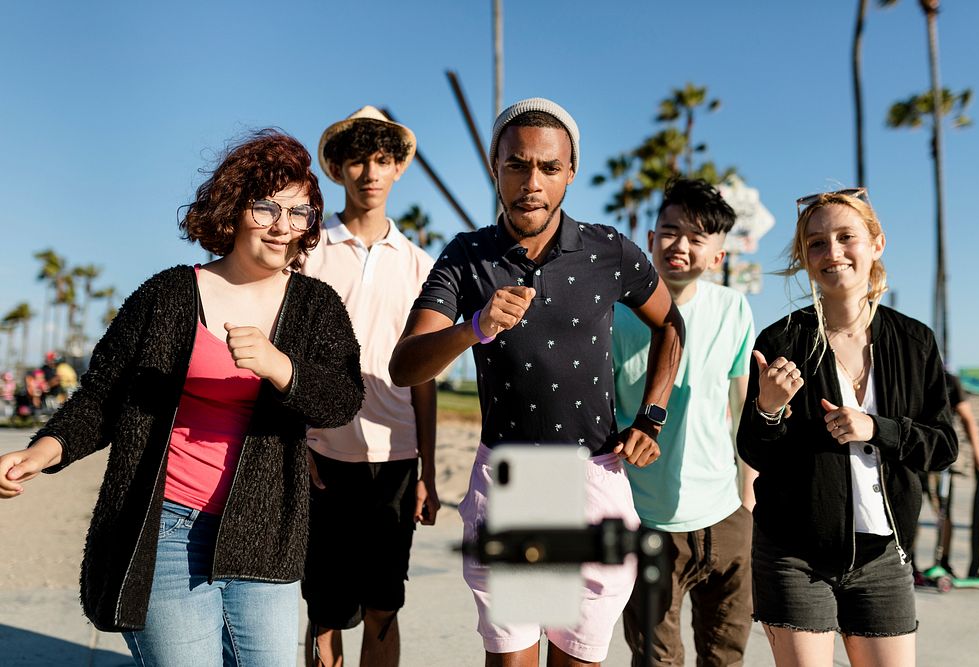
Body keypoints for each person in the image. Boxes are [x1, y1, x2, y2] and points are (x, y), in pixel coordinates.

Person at [0, 129, 364, 667]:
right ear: (235, 208)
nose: (283, 227)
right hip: (165, 530)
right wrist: (42, 451)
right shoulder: (167, 295)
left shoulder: (315, 305)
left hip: (266, 532)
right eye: (266, 208)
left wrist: (279, 366)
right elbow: (104, 395)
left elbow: (343, 398)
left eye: (300, 213)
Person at [389, 98, 685, 667]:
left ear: (570, 172)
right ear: (495, 166)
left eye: (549, 168)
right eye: (517, 165)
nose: (532, 183)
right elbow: (406, 365)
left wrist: (651, 415)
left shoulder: (609, 250)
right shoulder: (467, 256)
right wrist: (474, 327)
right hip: (515, 480)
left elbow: (671, 325)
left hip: (595, 476)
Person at [736, 188, 958, 667]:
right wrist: (768, 408)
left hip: (884, 557)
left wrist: (877, 428)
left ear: (876, 243)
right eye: (816, 244)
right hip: (794, 557)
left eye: (846, 237)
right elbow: (755, 451)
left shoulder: (915, 341)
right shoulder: (782, 339)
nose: (832, 252)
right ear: (804, 258)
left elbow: (943, 447)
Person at [300, 106, 438, 667]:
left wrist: (427, 466)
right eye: (358, 160)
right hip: (320, 455)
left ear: (400, 168)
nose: (371, 172)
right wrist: (294, 441)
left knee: (384, 606)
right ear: (336, 168)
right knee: (324, 610)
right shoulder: (305, 253)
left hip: (397, 458)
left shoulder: (422, 266)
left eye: (383, 159)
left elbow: (424, 378)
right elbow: (288, 358)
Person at [613, 178, 755, 666]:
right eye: (669, 231)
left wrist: (748, 496)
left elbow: (741, 407)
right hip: (645, 517)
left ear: (717, 256)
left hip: (726, 511)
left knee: (725, 656)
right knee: (656, 659)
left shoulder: (734, 308)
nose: (680, 245)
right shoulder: (613, 314)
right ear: (650, 239)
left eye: (697, 238)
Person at [920, 372, 979, 581]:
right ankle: (909, 561)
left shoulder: (949, 381)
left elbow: (966, 416)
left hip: (936, 456)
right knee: (908, 508)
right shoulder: (906, 372)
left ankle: (943, 561)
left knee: (941, 509)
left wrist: (978, 451)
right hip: (908, 453)